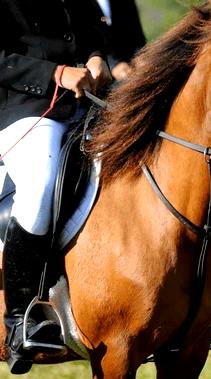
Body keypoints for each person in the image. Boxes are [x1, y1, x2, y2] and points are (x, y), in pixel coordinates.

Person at [0, 0, 111, 373]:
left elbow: (91, 27)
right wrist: (57, 74)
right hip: (23, 110)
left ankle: (185, 307)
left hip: (88, 103)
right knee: (41, 185)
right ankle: (20, 318)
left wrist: (96, 56)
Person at [95, 0, 146, 80]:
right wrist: (113, 65)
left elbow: (137, 35)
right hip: (102, 76)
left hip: (132, 66)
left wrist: (141, 56)